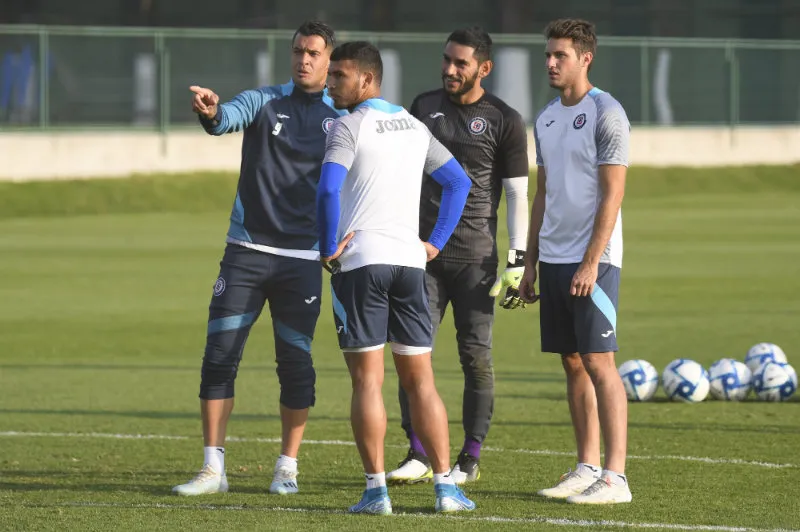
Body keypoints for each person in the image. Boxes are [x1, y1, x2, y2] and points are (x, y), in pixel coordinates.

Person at [172, 20, 344, 497]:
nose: (303, 59)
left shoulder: (343, 114)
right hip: (246, 252)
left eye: (313, 52)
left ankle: (286, 467)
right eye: (297, 51)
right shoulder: (264, 100)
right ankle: (213, 469)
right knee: (219, 357)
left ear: (330, 61)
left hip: (302, 259)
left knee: (295, 364)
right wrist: (211, 111)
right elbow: (226, 117)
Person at [317, 41, 475, 514]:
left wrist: (328, 248)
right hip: (409, 263)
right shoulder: (414, 125)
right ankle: (446, 488)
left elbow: (327, 188)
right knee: (421, 381)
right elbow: (458, 182)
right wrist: (435, 241)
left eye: (338, 76)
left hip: (361, 262)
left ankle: (376, 492)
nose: (330, 84)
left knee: (368, 382)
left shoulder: (347, 125)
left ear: (367, 79)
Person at [386, 27, 530, 486]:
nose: (450, 69)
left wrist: (517, 260)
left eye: (460, 63)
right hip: (421, 256)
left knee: (476, 360)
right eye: (447, 60)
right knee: (412, 354)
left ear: (483, 68)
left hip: (476, 261)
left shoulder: (505, 119)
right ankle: (418, 451)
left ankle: (469, 455)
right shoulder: (423, 108)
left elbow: (517, 195)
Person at [519, 18, 632, 504]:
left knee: (599, 361)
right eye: (548, 54)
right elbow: (542, 194)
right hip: (556, 255)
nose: (549, 62)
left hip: (596, 259)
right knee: (571, 362)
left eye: (559, 55)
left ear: (585, 58)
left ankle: (616, 477)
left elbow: (613, 195)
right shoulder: (545, 118)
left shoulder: (608, 113)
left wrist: (591, 261)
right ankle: (587, 466)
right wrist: (530, 263)